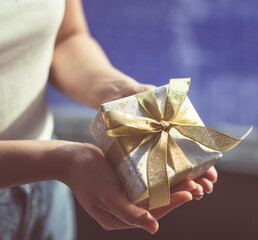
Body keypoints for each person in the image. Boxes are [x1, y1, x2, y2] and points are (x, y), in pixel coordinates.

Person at [0, 0, 217, 239]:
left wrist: (121, 94)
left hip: (50, 182)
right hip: (49, 165)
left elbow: (66, 38)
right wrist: (63, 163)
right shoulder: (63, 163)